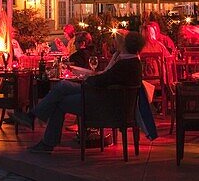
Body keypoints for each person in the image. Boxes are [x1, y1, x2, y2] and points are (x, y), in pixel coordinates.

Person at [12, 31, 147, 152]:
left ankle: (43, 135)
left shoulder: (124, 65)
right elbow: (107, 79)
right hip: (104, 98)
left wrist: (89, 79)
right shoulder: (132, 62)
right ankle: (34, 120)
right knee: (63, 86)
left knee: (59, 101)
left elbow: (102, 80)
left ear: (126, 44)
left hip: (102, 105)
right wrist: (93, 78)